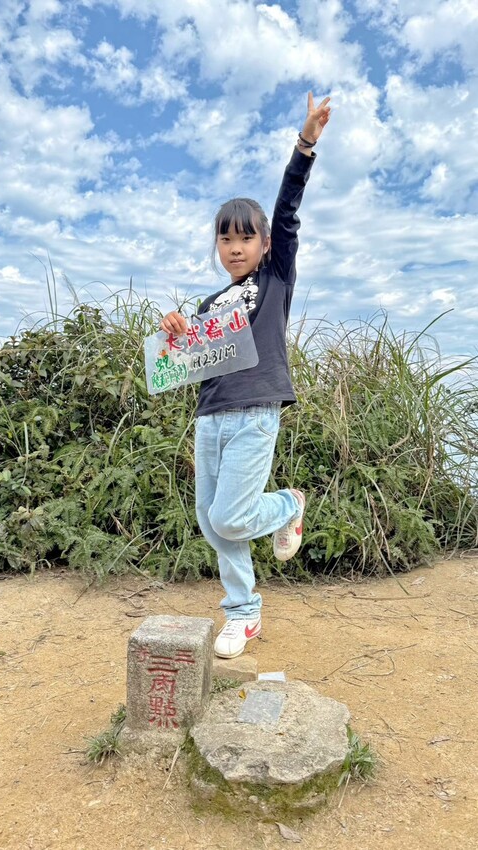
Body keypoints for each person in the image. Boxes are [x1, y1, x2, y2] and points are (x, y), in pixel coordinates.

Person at [160, 91, 331, 659]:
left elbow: (286, 212)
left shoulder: (276, 277)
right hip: (210, 416)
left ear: (262, 244)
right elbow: (188, 361)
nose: (235, 247)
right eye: (225, 238)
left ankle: (288, 504)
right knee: (214, 525)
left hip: (256, 413)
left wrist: (303, 145)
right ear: (217, 245)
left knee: (232, 516)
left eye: (245, 237)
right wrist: (177, 332)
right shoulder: (213, 303)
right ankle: (243, 614)